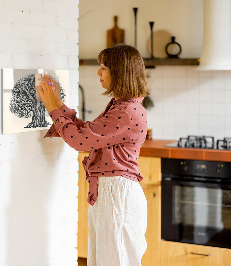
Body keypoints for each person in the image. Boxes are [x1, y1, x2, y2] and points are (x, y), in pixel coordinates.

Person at [37, 44, 149, 266]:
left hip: (117, 195)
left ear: (120, 72)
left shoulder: (126, 111)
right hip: (112, 193)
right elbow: (88, 133)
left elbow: (80, 141)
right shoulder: (122, 106)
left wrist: (52, 107)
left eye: (104, 67)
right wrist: (58, 104)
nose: (98, 72)